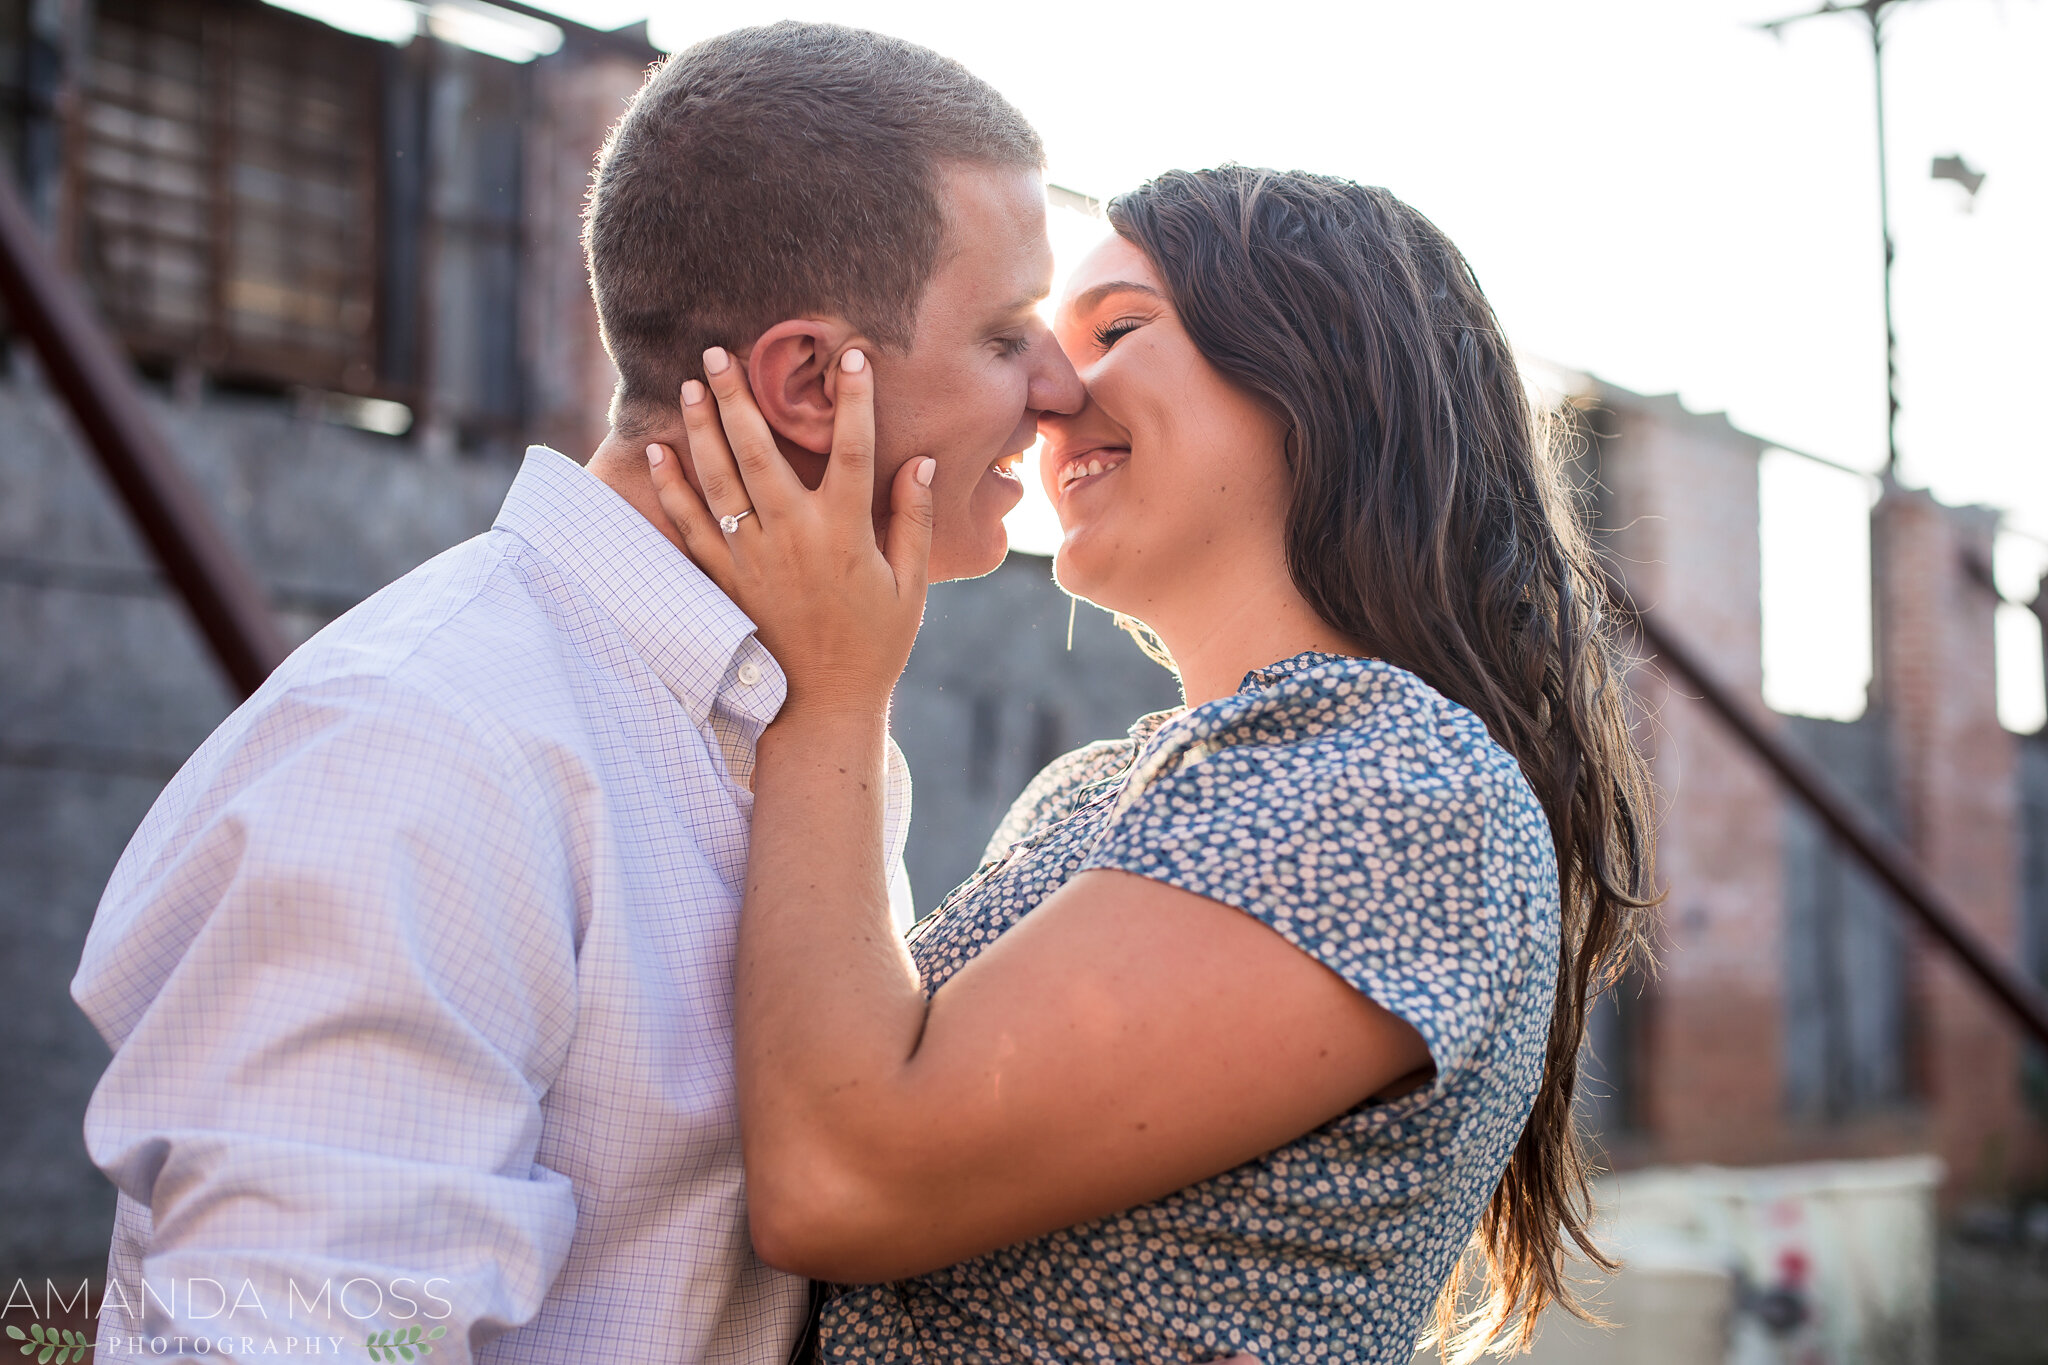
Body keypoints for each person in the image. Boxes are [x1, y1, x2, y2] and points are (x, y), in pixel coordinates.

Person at [70, 23, 1082, 1362]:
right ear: (806, 381)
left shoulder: (781, 719)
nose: (1063, 392)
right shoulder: (424, 748)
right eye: (1011, 335)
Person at [644, 166, 1659, 1363]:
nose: (1049, 394)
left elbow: (837, 1181)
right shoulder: (1095, 795)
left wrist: (831, 684)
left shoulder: (1394, 785)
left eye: (1117, 328)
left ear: (1324, 369)